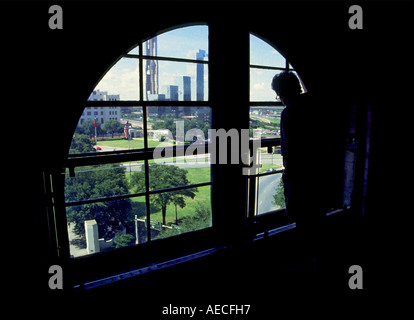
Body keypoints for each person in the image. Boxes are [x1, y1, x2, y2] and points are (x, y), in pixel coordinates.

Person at [271, 71, 328, 272]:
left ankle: (307, 264)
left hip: (301, 176)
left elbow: (290, 151)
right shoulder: (317, 104)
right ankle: (318, 260)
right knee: (318, 220)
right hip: (320, 172)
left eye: (278, 95)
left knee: (303, 223)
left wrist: (288, 176)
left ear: (282, 93)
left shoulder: (289, 113)